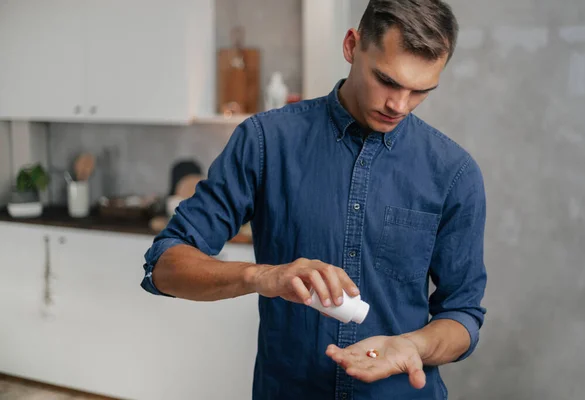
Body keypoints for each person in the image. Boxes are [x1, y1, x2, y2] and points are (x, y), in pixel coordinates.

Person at [140, 0, 487, 398]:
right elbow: (165, 265)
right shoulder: (265, 141)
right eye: (387, 81)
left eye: (420, 91)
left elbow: (462, 315)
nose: (399, 105)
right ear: (351, 46)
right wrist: (262, 276)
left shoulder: (455, 173)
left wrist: (414, 345)